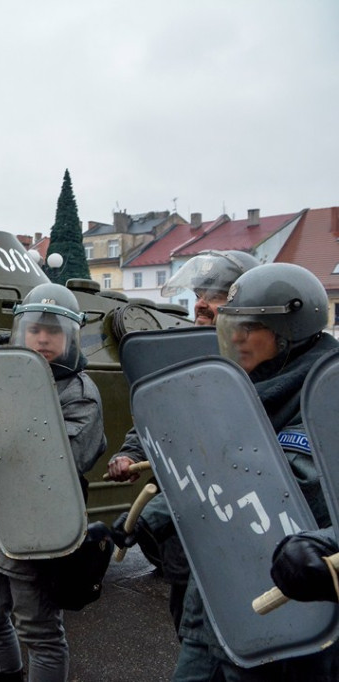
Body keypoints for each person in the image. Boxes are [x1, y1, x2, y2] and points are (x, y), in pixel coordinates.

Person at [170, 262, 339, 681]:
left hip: (283, 603)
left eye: (251, 327)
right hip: (212, 593)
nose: (238, 338)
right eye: (235, 325)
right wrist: (152, 520)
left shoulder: (324, 392)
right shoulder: (233, 385)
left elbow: (291, 488)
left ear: (289, 333)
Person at [106, 249, 258, 631]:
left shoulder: (258, 364)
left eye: (216, 296)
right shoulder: (180, 355)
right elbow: (158, 418)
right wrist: (129, 454)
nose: (202, 305)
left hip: (244, 531)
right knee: (187, 625)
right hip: (185, 534)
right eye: (199, 295)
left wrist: (145, 519)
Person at [0, 283, 105, 682]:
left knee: (39, 631)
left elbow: (67, 459)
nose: (42, 339)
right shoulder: (5, 380)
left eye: (54, 332)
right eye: (35, 330)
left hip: (40, 529)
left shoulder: (80, 394)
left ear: (71, 337)